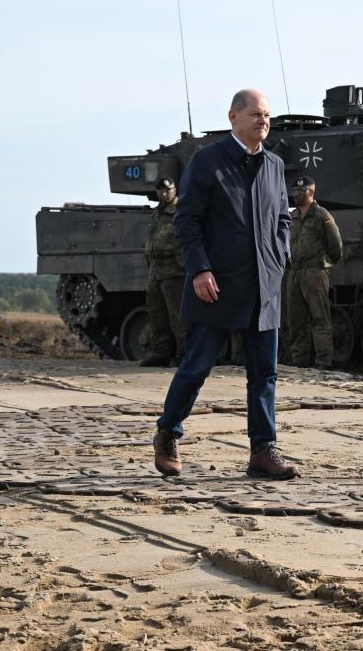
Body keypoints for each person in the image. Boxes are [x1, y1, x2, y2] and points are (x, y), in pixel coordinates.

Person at [152, 89, 298, 481]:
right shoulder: (208, 161)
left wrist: (279, 256)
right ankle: (168, 433)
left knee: (264, 374)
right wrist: (200, 269)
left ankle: (263, 450)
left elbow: (283, 218)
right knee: (197, 365)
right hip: (215, 285)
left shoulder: (273, 165)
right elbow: (187, 220)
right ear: (233, 117)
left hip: (263, 287)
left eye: (267, 115)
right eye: (255, 114)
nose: (263, 121)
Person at [286, 176, 343, 367]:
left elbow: (335, 246)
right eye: (294, 191)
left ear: (311, 193)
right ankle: (299, 360)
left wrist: (324, 265)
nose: (296, 195)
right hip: (295, 273)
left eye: (301, 192)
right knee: (296, 320)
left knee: (320, 318)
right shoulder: (292, 216)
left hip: (314, 272)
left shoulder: (322, 215)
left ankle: (323, 361)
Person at [139, 178, 185, 367]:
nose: (164, 193)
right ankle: (161, 353)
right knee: (157, 314)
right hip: (156, 269)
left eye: (168, 190)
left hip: (174, 269)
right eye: (161, 190)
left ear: (175, 190)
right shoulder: (157, 212)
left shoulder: (181, 210)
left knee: (178, 316)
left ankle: (184, 353)